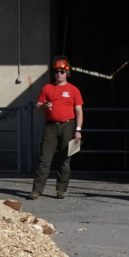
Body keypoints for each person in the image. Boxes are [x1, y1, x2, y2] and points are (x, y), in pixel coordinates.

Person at [28, 57, 83, 200]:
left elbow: (79, 111)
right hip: (51, 126)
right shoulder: (47, 88)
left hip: (68, 126)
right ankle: (37, 191)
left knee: (65, 159)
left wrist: (78, 130)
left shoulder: (73, 90)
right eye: (56, 71)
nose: (59, 74)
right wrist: (44, 105)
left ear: (67, 73)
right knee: (44, 159)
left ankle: (61, 190)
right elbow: (37, 107)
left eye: (62, 71)